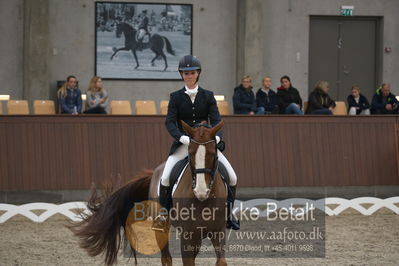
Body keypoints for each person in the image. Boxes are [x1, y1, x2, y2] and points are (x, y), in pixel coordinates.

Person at [152, 55, 240, 231]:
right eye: (185, 73)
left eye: (192, 73)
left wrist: (216, 138)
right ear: (181, 75)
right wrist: (182, 138)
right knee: (166, 177)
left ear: (198, 73)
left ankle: (228, 215)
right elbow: (170, 122)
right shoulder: (175, 97)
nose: (189, 76)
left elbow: (216, 120)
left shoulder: (208, 96)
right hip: (184, 145)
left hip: (206, 144)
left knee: (232, 176)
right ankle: (163, 216)